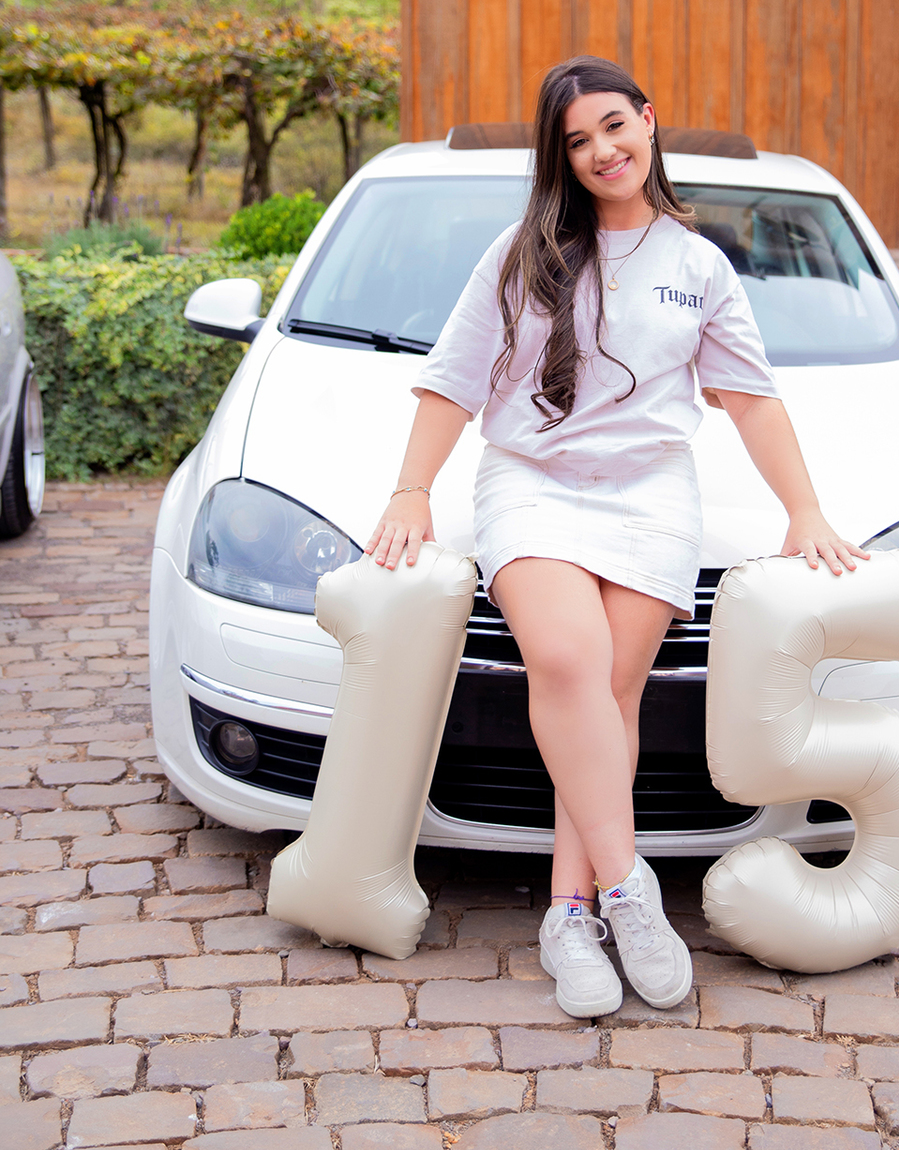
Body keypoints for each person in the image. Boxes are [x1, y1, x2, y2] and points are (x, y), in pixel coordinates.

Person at [366, 56, 866, 1018]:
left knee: (606, 698)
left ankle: (566, 912)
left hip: (650, 495)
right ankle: (630, 888)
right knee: (566, 658)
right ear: (562, 158)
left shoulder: (699, 265)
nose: (601, 151)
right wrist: (411, 488)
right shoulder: (522, 253)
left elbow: (752, 402)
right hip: (533, 480)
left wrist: (805, 509)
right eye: (577, 141)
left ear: (648, 118)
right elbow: (455, 376)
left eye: (612, 126)